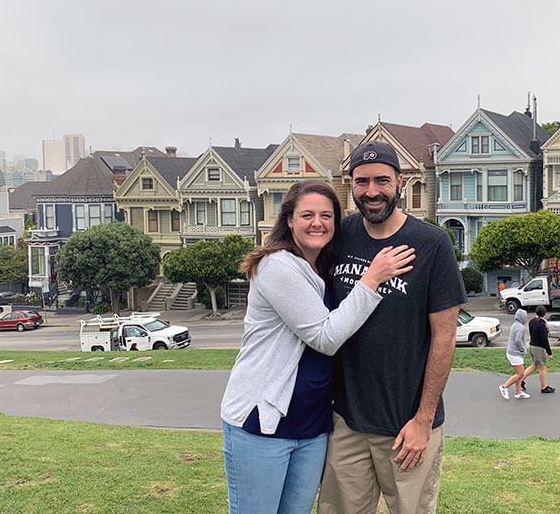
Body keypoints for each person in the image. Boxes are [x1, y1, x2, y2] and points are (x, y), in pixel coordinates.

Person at [220, 180, 415, 514]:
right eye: (307, 214)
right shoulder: (278, 266)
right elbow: (325, 338)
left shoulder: (323, 267)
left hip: (312, 426)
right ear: (290, 220)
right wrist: (371, 279)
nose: (318, 223)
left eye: (327, 215)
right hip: (262, 422)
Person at [318, 141, 467, 514]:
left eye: (382, 180)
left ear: (400, 181)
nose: (372, 192)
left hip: (408, 427)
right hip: (346, 421)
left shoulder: (432, 244)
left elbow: (445, 338)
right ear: (348, 183)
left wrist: (423, 420)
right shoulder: (340, 234)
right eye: (362, 181)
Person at [523, 305, 555, 393]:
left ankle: (520, 380)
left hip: (532, 346)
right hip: (539, 348)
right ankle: (543, 387)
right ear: (544, 314)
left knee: (534, 365)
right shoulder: (542, 324)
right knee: (543, 368)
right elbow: (544, 340)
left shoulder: (532, 321)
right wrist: (549, 353)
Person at [499, 308, 529, 400]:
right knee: (520, 374)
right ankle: (504, 387)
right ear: (522, 317)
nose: (527, 317)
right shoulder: (520, 328)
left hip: (513, 353)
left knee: (519, 373)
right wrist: (522, 350)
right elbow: (518, 340)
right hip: (515, 354)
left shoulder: (515, 325)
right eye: (526, 315)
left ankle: (518, 392)